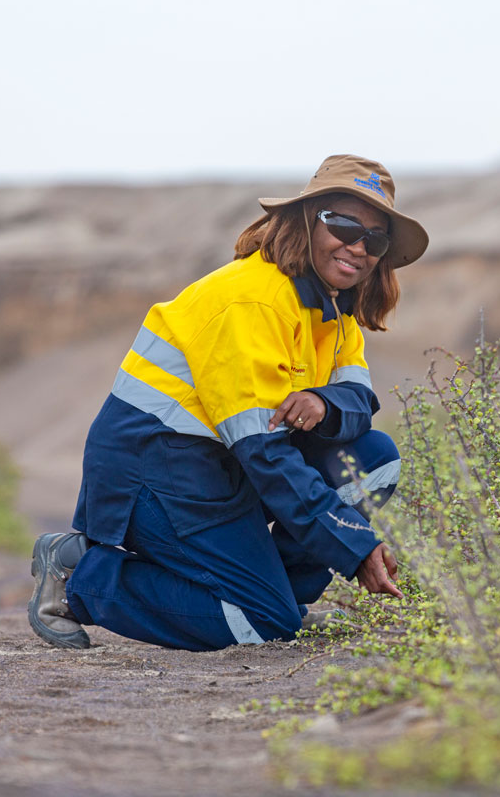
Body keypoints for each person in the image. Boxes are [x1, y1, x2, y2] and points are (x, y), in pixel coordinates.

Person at [27, 154, 429, 651]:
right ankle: (80, 575)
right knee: (260, 623)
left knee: (373, 460)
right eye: (344, 225)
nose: (358, 246)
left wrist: (325, 403)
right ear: (306, 222)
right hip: (156, 472)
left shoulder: (333, 313)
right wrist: (356, 548)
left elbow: (360, 401)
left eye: (375, 238)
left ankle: (279, 598)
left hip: (220, 469)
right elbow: (264, 453)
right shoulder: (252, 301)